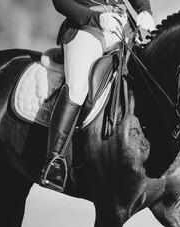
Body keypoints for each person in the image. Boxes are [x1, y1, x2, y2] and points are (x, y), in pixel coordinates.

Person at [40, 0, 155, 192]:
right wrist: (97, 18)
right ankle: (54, 160)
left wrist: (144, 10)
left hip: (123, 27)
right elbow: (60, 2)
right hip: (86, 27)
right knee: (77, 88)